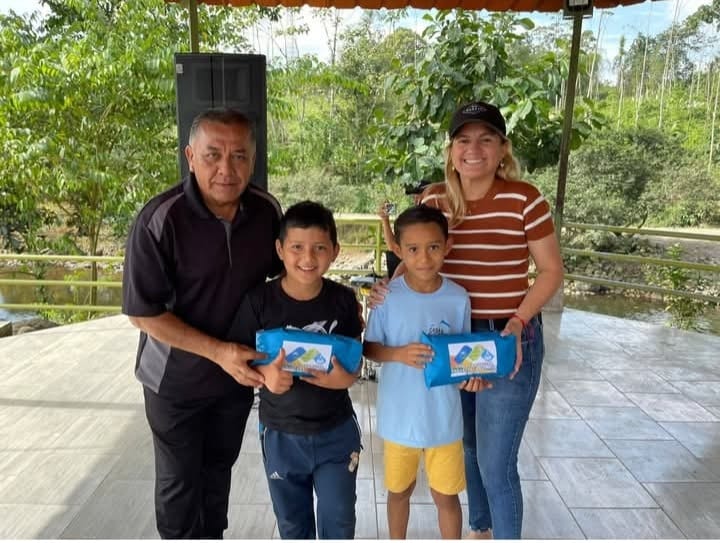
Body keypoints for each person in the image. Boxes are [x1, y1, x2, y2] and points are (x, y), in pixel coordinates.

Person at [121, 108, 283, 539]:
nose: (226, 169)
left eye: (239, 156)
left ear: (253, 159)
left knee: (217, 476)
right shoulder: (160, 219)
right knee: (179, 486)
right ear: (191, 156)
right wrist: (218, 352)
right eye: (213, 155)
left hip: (235, 380)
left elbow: (284, 281)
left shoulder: (266, 212)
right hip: (174, 381)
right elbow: (142, 312)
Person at [420, 101, 564, 539]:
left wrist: (518, 322)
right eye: (463, 140)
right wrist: (390, 288)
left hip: (507, 338)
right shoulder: (434, 201)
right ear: (450, 150)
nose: (474, 149)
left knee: (497, 464)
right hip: (454, 339)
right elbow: (417, 263)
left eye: (486, 139)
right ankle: (481, 529)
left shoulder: (525, 199)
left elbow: (551, 271)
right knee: (467, 446)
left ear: (503, 148)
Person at [227, 201, 364, 539]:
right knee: (292, 525)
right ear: (280, 249)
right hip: (280, 434)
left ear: (335, 251)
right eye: (297, 247)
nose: (308, 258)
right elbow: (239, 360)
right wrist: (265, 376)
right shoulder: (259, 301)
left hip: (336, 432)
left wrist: (345, 379)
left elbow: (354, 359)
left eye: (319, 248)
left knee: (339, 521)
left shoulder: (344, 300)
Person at [363, 205, 481, 540]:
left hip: (444, 419)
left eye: (433, 247)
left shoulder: (458, 298)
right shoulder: (387, 297)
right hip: (399, 419)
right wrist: (397, 354)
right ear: (398, 250)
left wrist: (471, 377)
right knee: (399, 491)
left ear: (447, 246)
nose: (424, 258)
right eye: (413, 249)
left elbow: (463, 357)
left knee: (447, 496)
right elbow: (369, 348)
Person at [378, 180, 432, 278]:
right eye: (414, 196)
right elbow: (392, 246)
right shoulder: (412, 217)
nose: (416, 199)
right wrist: (385, 219)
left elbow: (393, 247)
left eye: (420, 195)